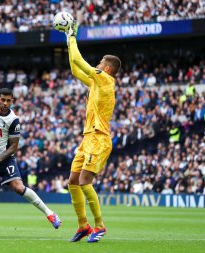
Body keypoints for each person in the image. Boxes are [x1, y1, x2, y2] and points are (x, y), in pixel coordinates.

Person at [0, 88, 61, 237]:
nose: (6, 103)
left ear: (12, 101)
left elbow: (14, 146)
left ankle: (50, 214)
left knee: (19, 188)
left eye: (9, 100)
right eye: (3, 100)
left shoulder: (13, 120)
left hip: (4, 159)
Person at [65, 21, 121, 243]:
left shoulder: (105, 79)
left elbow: (80, 60)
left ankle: (100, 226)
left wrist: (72, 36)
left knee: (85, 181)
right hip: (87, 138)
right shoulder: (95, 84)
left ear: (106, 68)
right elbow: (73, 66)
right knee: (72, 181)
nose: (97, 65)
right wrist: (68, 39)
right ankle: (83, 225)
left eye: (100, 63)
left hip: (99, 138)